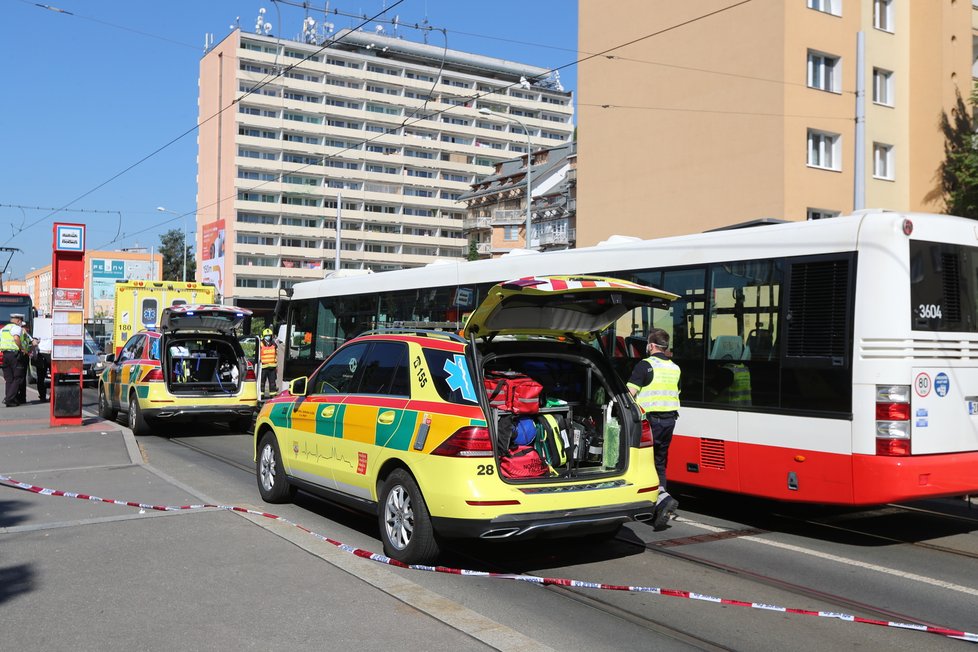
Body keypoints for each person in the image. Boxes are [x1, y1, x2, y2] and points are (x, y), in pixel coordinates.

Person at [627, 328, 681, 530]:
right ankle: (660, 504)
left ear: (650, 346)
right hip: (670, 421)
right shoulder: (675, 368)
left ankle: (661, 500)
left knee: (644, 463)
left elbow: (630, 393)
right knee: (660, 462)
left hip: (651, 422)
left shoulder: (645, 365)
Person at [1, 313, 30, 407]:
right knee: (18, 377)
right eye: (21, 322)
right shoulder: (16, 328)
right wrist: (22, 348)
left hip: (5, 355)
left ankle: (10, 399)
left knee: (9, 379)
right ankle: (9, 399)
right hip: (15, 355)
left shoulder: (3, 329)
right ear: (18, 321)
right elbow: (16, 338)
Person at [32, 327, 52, 402]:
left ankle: (53, 396)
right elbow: (34, 343)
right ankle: (42, 395)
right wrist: (34, 354)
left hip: (52, 354)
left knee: (55, 378)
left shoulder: (56, 329)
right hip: (41, 354)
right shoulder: (39, 327)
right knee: (40, 377)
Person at [259, 328, 279, 398]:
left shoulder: (274, 344)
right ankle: (261, 395)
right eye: (266, 336)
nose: (268, 337)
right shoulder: (260, 344)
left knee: (272, 383)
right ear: (263, 336)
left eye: (269, 335)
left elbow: (277, 354)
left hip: (272, 367)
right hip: (263, 367)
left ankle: (273, 396)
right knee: (262, 383)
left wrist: (277, 366)